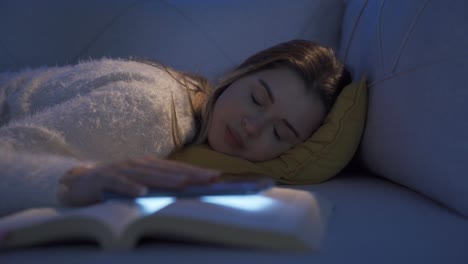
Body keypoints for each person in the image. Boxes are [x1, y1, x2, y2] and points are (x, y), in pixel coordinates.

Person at [0, 39, 350, 215]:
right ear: (237, 75)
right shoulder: (150, 111)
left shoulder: (190, 114)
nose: (252, 126)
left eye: (279, 133)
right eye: (257, 99)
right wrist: (75, 180)